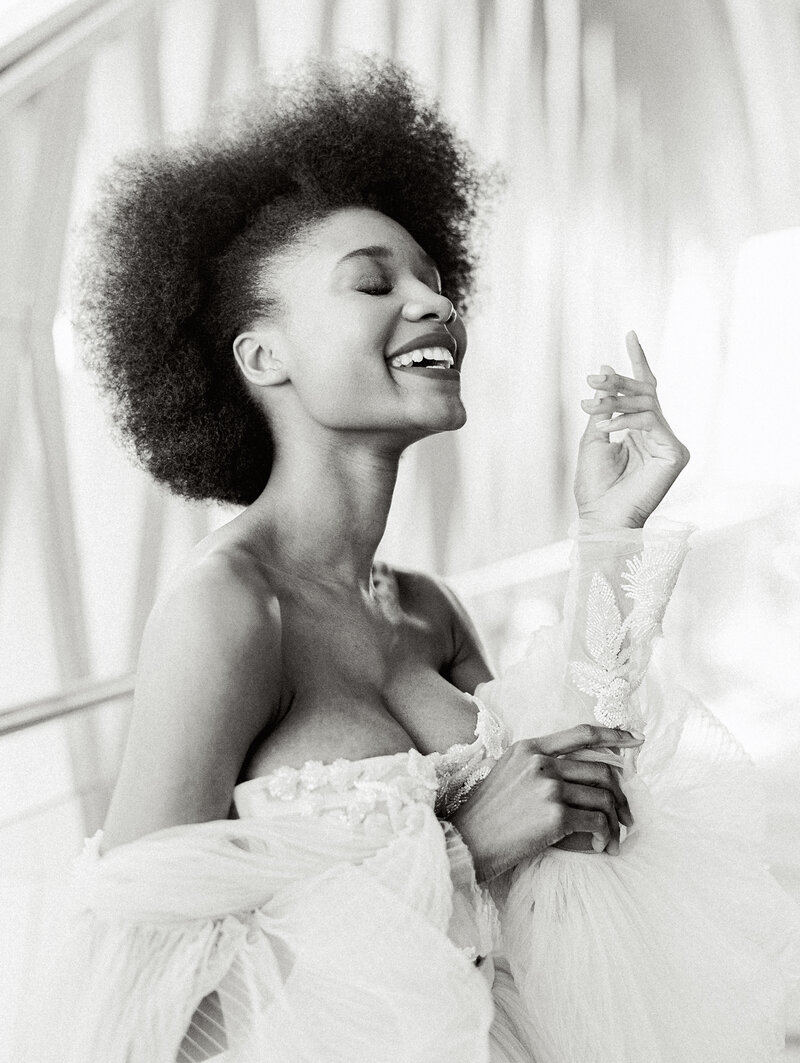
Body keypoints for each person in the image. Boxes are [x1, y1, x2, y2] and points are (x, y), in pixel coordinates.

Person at [27, 57, 800, 1063]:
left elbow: (584, 812)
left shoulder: (426, 609)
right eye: (372, 281)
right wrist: (464, 849)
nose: (433, 304)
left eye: (435, 281)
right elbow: (145, 1005)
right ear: (264, 357)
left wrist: (607, 527)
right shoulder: (227, 609)